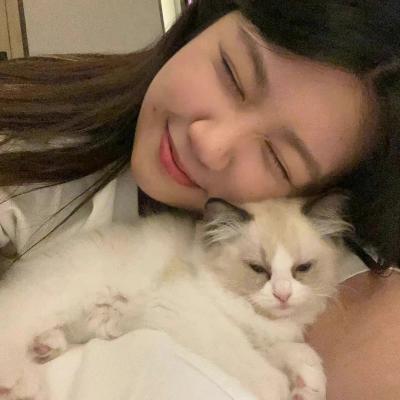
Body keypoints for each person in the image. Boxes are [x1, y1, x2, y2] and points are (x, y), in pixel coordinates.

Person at [0, 0, 399, 398]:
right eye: (233, 74)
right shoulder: (28, 136)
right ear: (207, 17)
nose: (208, 142)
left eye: (278, 159)